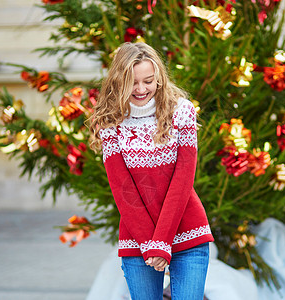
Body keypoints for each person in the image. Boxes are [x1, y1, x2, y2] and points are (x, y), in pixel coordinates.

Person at [89, 42, 214, 300]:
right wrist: (150, 244)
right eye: (133, 82)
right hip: (137, 237)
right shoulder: (111, 121)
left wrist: (162, 241)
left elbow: (183, 178)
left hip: (188, 230)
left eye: (149, 80)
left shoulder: (182, 111)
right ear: (119, 82)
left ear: (159, 78)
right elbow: (123, 189)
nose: (142, 89)